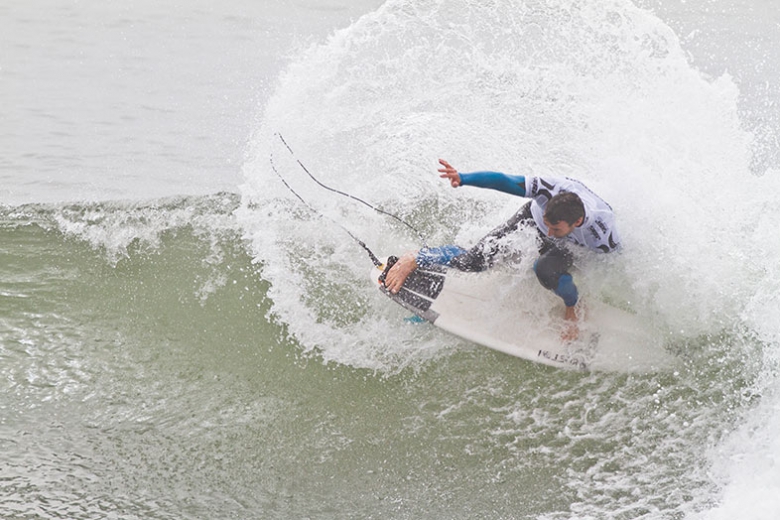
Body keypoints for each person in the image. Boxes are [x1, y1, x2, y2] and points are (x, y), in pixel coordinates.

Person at [383, 159, 621, 340]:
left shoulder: (601, 234)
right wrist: (463, 177)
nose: (548, 234)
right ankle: (416, 257)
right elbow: (504, 180)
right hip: (531, 221)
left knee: (546, 271)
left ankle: (572, 307)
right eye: (549, 227)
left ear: (577, 223)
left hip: (569, 246)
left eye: (555, 229)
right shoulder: (549, 189)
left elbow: (606, 264)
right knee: (474, 261)